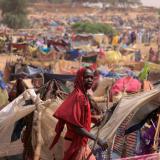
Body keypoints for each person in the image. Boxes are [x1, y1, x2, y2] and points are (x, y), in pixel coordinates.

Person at [50, 67, 108, 160]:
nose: (90, 80)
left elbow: (81, 117)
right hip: (74, 143)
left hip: (80, 142)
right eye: (87, 77)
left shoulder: (83, 95)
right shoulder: (78, 96)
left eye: (92, 77)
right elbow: (75, 126)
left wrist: (94, 118)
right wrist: (97, 139)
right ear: (80, 78)